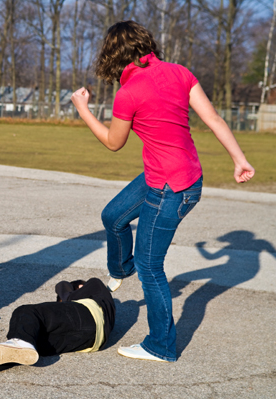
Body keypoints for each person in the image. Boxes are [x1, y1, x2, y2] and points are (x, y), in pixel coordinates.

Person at [71, 21, 255, 362]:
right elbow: (213, 118)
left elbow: (114, 143)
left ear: (113, 55)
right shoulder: (180, 72)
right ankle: (121, 270)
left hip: (172, 188)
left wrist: (83, 109)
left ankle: (160, 345)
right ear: (146, 45)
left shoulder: (129, 93)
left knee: (151, 267)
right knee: (113, 216)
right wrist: (239, 160)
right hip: (176, 175)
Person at [0, 278, 115, 375]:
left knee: (26, 312)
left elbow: (63, 287)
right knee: (28, 345)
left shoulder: (94, 286)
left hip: (88, 314)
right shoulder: (104, 307)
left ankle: (20, 343)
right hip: (91, 342)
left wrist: (68, 290)